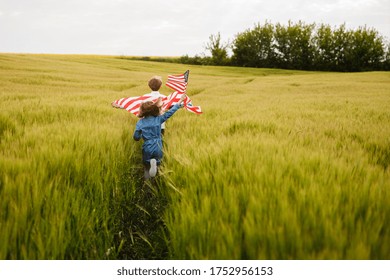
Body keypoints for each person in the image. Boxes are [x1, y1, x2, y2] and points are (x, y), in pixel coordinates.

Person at [133, 94, 187, 179]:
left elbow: (136, 137)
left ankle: (148, 183)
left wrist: (140, 135)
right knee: (158, 165)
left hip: (147, 146)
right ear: (154, 110)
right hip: (158, 145)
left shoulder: (140, 122)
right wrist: (180, 101)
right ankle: (156, 175)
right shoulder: (158, 119)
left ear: (142, 111)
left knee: (147, 166)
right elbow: (169, 113)